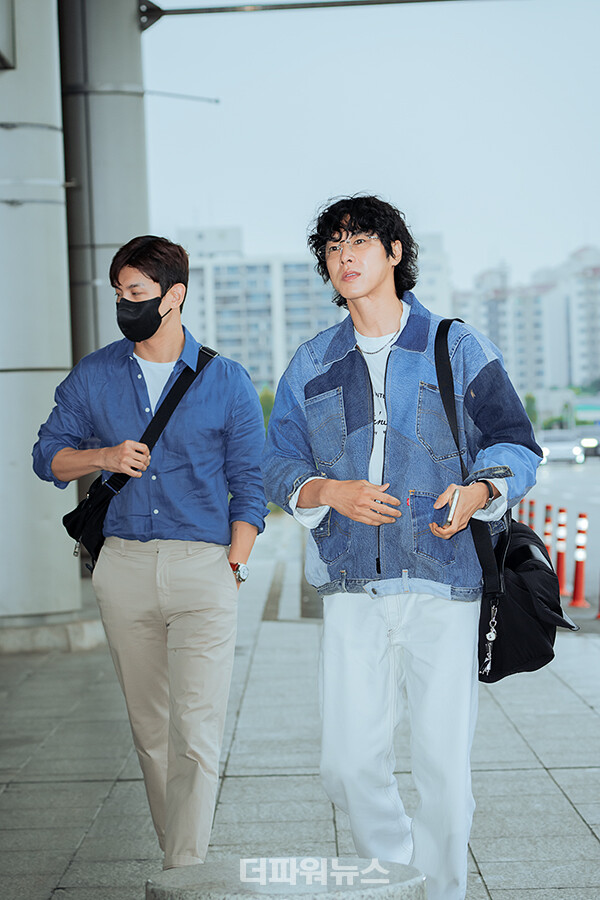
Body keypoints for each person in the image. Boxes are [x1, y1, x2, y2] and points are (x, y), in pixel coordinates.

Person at [262, 196, 542, 900]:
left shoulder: (456, 344)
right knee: (348, 766)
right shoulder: (313, 363)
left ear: (393, 253)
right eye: (332, 247)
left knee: (444, 770)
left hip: (445, 582)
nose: (344, 255)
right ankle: (398, 876)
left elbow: (515, 441)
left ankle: (439, 892)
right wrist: (329, 490)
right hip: (352, 583)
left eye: (359, 241)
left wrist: (480, 491)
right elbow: (277, 462)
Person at [33, 235, 268, 870]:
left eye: (136, 294)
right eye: (118, 295)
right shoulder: (95, 375)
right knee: (150, 730)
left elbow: (251, 483)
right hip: (125, 569)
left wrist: (236, 561)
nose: (125, 305)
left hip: (204, 567)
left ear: (175, 296)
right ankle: (181, 854)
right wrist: (103, 457)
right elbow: (46, 456)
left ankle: (182, 868)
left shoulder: (226, 380)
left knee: (197, 728)